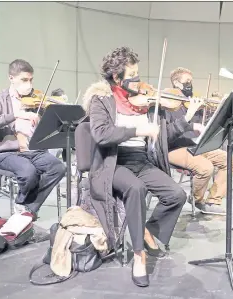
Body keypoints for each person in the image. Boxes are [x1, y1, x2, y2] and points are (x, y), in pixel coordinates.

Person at [82, 47, 187, 287]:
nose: (139, 81)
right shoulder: (102, 100)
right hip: (113, 162)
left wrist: (185, 115)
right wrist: (139, 130)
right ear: (118, 78)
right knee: (136, 188)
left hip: (141, 160)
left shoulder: (144, 102)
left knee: (177, 195)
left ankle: (148, 229)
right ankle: (139, 255)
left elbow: (164, 134)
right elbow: (101, 134)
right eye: (133, 74)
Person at [0, 59, 66, 220]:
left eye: (31, 80)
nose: (29, 84)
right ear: (11, 78)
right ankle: (24, 204)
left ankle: (27, 207)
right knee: (28, 172)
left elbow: (49, 127)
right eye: (24, 80)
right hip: (8, 152)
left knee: (58, 168)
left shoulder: (35, 99)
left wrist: (46, 117)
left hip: (33, 149)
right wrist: (16, 114)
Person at [165, 67, 233, 215]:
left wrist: (221, 108)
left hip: (194, 145)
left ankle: (213, 200)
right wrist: (190, 118)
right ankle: (196, 199)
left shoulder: (191, 102)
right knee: (206, 168)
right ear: (176, 83)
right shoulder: (167, 103)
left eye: (191, 82)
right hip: (173, 148)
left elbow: (202, 126)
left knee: (231, 160)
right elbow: (168, 133)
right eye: (187, 81)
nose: (190, 85)